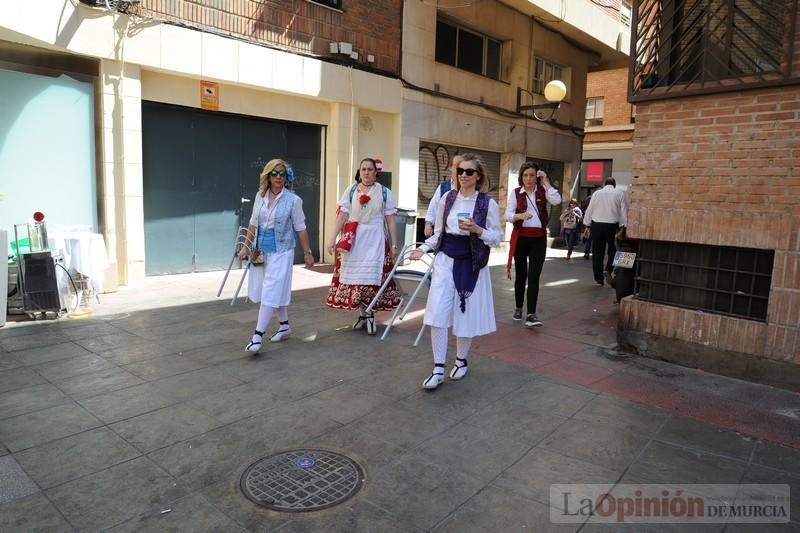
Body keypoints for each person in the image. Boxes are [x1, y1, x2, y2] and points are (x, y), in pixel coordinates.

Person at [410, 154, 502, 390]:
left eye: (469, 171)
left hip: (471, 264)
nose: (463, 175)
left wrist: (478, 229)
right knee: (437, 314)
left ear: (478, 176)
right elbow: (438, 233)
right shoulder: (447, 199)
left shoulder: (486, 203)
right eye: (460, 170)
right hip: (445, 260)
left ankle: (461, 361)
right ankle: (438, 368)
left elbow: (496, 238)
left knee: (465, 316)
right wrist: (422, 248)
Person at [238, 159, 314, 353]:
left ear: (287, 177)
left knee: (271, 291)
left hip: (282, 251)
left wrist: (308, 252)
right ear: (268, 175)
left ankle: (257, 337)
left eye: (282, 174)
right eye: (274, 173)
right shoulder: (260, 195)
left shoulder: (293, 200)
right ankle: (285, 326)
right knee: (271, 290)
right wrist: (246, 247)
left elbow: (301, 228)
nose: (278, 177)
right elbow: (253, 223)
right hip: (261, 251)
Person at [325, 158, 401, 334]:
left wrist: (394, 245)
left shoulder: (384, 193)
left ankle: (369, 314)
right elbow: (342, 217)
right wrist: (332, 239)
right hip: (355, 238)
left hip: (375, 238)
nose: (366, 172)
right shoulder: (351, 191)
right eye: (363, 169)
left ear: (376, 172)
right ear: (359, 172)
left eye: (369, 169)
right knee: (355, 279)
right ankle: (364, 314)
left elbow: (390, 221)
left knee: (372, 278)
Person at [505, 163, 562, 327]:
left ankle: (531, 313)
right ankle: (518, 307)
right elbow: (507, 215)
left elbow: (557, 200)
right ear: (521, 177)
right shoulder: (516, 193)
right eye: (525, 175)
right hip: (521, 238)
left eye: (531, 175)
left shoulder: (543, 191)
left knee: (534, 276)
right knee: (521, 275)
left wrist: (546, 182)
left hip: (538, 238)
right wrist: (519, 216)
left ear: (536, 177)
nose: (528, 179)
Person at [583, 177, 628, 286]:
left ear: (604, 184)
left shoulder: (597, 193)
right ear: (614, 185)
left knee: (597, 252)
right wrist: (624, 226)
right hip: (612, 226)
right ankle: (608, 269)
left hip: (597, 225)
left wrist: (586, 225)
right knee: (613, 250)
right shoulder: (619, 193)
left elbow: (590, 209)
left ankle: (598, 279)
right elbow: (624, 211)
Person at [424, 154, 464, 238]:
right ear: (450, 167)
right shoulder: (443, 187)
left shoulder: (470, 189)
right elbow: (433, 206)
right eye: (457, 166)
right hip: (443, 235)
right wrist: (428, 223)